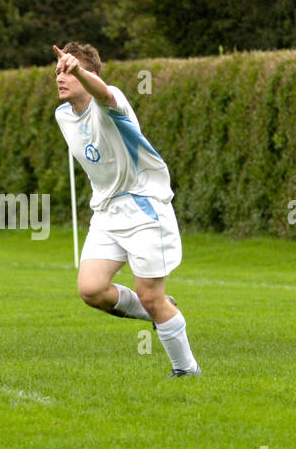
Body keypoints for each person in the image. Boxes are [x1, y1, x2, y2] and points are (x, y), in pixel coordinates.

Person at [53, 42, 201, 376]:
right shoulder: (63, 115)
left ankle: (186, 370)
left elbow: (103, 95)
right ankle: (160, 311)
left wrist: (79, 70)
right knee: (91, 289)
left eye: (69, 71)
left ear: (87, 73)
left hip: (144, 204)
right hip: (106, 211)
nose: (61, 78)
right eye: (58, 72)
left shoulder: (111, 101)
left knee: (150, 295)